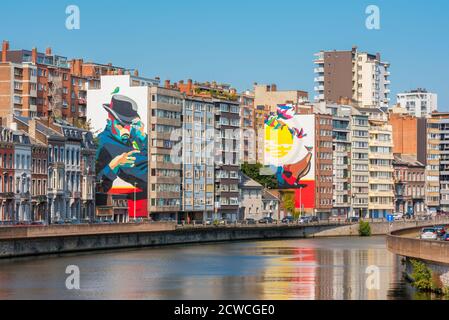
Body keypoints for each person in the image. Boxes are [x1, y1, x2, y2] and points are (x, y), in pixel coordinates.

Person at [96, 95, 148, 218]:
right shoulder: (103, 143)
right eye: (121, 125)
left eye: (129, 125)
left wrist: (143, 138)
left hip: (151, 194)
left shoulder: (134, 137)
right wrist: (114, 164)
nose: (126, 130)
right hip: (133, 199)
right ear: (110, 119)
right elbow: (98, 185)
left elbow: (153, 159)